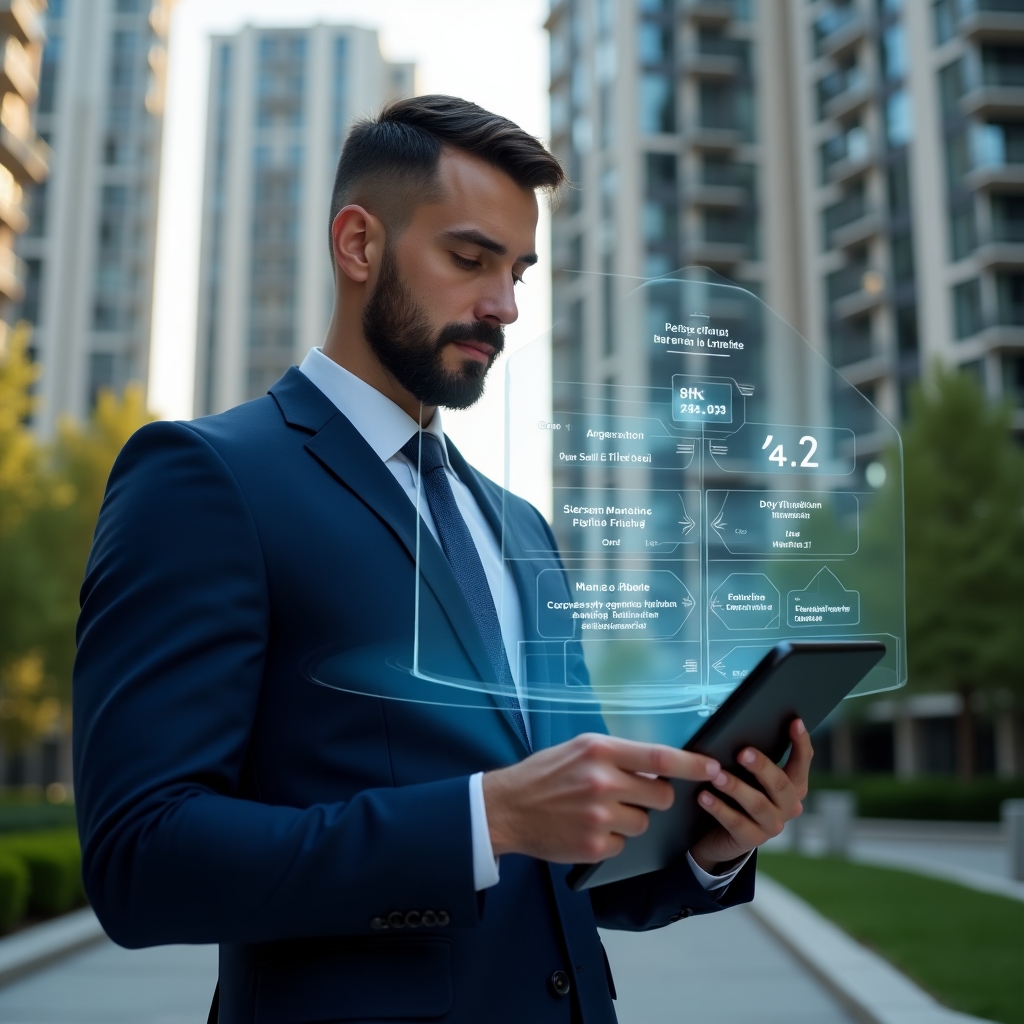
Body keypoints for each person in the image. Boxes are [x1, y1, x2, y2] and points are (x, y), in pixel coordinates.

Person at [73, 96, 811, 1024]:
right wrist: (484, 818)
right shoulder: (206, 478)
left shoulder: (519, 526)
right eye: (469, 259)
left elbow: (578, 873)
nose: (502, 306)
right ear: (357, 245)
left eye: (518, 272)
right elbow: (140, 859)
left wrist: (710, 843)